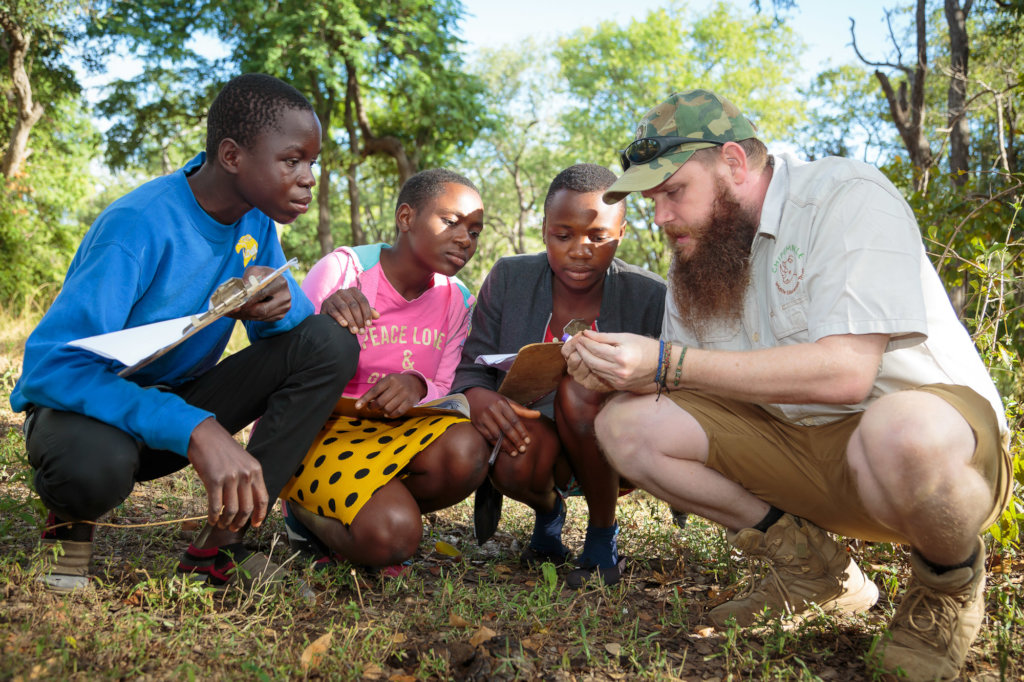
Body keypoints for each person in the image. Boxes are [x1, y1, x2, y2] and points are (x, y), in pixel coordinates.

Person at [563, 90, 1011, 680]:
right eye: (653, 200)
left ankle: (947, 584)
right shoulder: (699, 262)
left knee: (903, 430)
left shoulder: (846, 195)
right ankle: (815, 570)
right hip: (800, 456)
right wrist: (616, 371)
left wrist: (667, 364)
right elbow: (683, 393)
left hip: (927, 462)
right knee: (626, 423)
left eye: (674, 193)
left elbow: (849, 372)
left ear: (735, 163)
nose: (661, 218)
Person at [10, 73, 358, 592]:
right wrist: (195, 426)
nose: (309, 176)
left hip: (174, 404)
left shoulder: (256, 221)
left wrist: (277, 309)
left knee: (329, 343)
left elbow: (288, 337)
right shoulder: (138, 225)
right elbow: (50, 368)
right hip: (88, 414)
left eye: (312, 162)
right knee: (93, 467)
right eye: (292, 160)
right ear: (233, 156)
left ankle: (219, 553)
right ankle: (69, 529)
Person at [454, 163, 666, 588]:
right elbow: (469, 368)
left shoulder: (650, 295)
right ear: (545, 230)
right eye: (563, 235)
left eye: (598, 236)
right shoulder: (509, 278)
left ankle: (602, 536)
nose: (580, 249)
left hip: (612, 444)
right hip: (535, 436)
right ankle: (549, 513)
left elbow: (667, 384)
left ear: (621, 233)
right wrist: (480, 398)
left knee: (578, 385)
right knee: (514, 460)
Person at [278, 168, 490, 570]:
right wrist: (324, 319)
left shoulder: (457, 300)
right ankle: (301, 510)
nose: (465, 239)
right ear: (406, 217)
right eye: (450, 222)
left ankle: (371, 510)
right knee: (393, 538)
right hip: (321, 433)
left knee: (467, 451)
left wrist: (416, 384)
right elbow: (284, 361)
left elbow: (444, 383)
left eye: (475, 231)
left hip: (395, 434)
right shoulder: (344, 270)